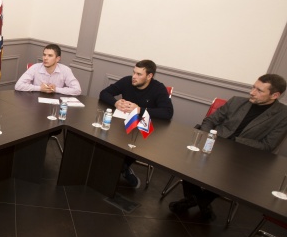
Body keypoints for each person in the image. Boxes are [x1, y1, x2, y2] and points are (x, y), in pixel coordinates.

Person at [169, 74, 287, 220]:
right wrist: (207, 137)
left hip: (245, 158)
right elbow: (210, 120)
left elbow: (268, 145)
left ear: (275, 95)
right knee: (186, 163)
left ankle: (194, 200)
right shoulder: (236, 101)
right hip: (215, 145)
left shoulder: (283, 115)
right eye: (253, 87)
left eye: (259, 90)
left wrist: (233, 141)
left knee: (227, 176)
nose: (252, 92)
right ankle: (202, 202)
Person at [99, 59, 173, 187]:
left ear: (149, 76)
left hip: (144, 129)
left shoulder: (158, 88)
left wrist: (139, 110)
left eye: (139, 74)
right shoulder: (127, 81)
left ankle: (122, 167)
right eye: (134, 72)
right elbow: (104, 93)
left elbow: (167, 112)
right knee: (106, 133)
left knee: (134, 142)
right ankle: (117, 167)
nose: (134, 76)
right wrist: (115, 103)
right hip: (122, 125)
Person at [14, 44, 81, 95]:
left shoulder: (65, 70)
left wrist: (55, 89)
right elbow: (18, 86)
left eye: (50, 55)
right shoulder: (35, 67)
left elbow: (77, 90)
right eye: (44, 55)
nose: (45, 58)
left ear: (57, 59)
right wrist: (40, 88)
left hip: (56, 104)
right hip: (35, 102)